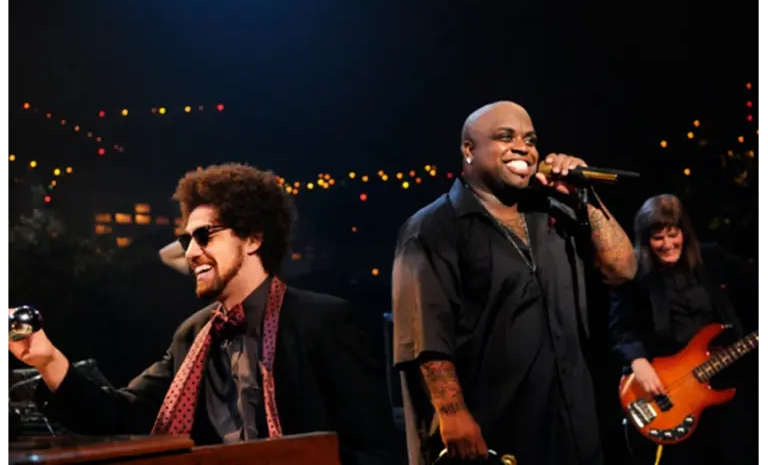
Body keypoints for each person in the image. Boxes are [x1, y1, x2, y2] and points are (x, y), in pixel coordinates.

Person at [8, 163, 399, 465]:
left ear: (253, 238)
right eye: (186, 239)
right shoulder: (193, 335)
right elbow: (121, 416)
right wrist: (47, 360)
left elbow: (370, 449)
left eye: (204, 235)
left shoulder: (324, 322)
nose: (191, 252)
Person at [392, 101, 637, 465]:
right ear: (469, 150)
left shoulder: (557, 211)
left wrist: (584, 197)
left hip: (577, 429)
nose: (523, 147)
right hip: (495, 434)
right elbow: (425, 334)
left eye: (531, 139)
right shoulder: (431, 228)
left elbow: (623, 269)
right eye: (505, 137)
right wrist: (453, 413)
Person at [609, 194, 760, 464]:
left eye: (673, 234)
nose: (667, 244)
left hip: (726, 381)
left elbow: (753, 284)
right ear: (646, 241)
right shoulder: (634, 274)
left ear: (684, 232)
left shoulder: (712, 258)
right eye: (658, 238)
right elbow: (621, 329)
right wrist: (638, 362)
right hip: (671, 391)